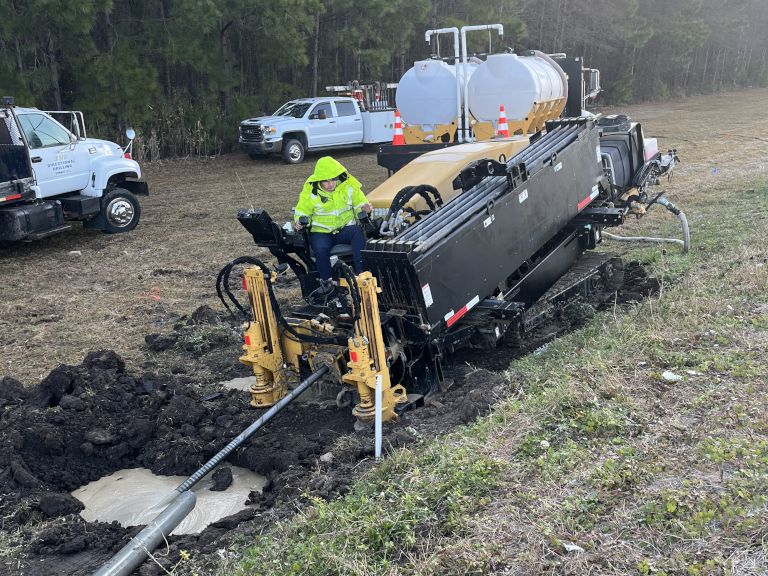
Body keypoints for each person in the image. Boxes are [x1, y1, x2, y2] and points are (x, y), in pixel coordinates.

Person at [294, 157, 373, 283]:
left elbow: (360, 206)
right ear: (319, 179)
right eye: (326, 181)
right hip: (321, 233)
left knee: (357, 231)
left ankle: (362, 278)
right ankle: (329, 287)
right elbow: (302, 212)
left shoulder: (349, 187)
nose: (331, 184)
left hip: (344, 230)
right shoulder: (310, 193)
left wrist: (365, 211)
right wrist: (300, 221)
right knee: (320, 250)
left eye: (333, 180)